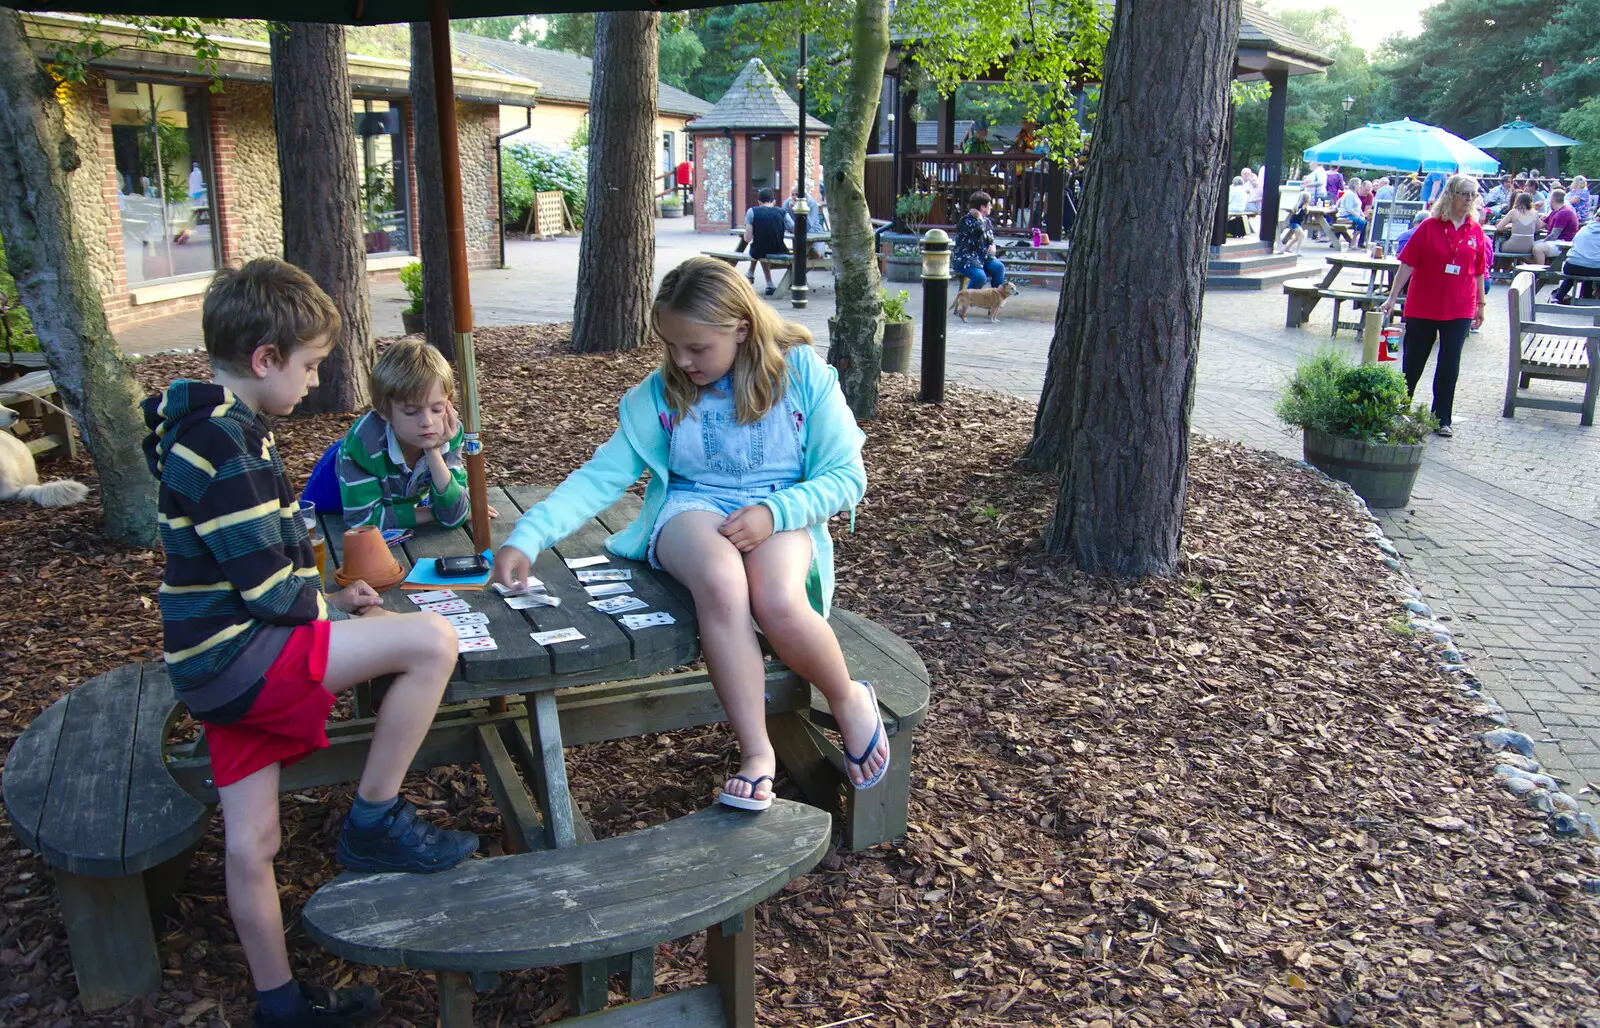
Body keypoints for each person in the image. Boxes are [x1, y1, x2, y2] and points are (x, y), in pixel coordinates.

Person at [141, 260, 477, 1028]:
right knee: (428, 641)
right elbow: (267, 592)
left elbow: (262, 560)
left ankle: (280, 1004)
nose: (314, 382)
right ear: (266, 359)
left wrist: (324, 594)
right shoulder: (226, 447)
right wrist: (332, 615)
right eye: (311, 366)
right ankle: (375, 818)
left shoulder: (214, 430)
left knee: (252, 841)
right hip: (240, 656)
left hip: (207, 666)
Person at [489, 257, 887, 811]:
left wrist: (776, 512)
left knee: (776, 598)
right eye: (672, 345)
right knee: (722, 584)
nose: (682, 360)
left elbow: (847, 477)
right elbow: (600, 479)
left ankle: (846, 697)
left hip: (780, 509)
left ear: (741, 329)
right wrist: (526, 536)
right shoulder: (660, 397)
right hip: (691, 507)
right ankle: (756, 752)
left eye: (697, 348)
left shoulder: (801, 376)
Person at [1379, 175, 1489, 438]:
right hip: (1424, 305)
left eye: (1473, 195)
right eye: (1464, 194)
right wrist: (1392, 297)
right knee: (1414, 360)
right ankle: (1400, 408)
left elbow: (1479, 271)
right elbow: (1407, 265)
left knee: (1450, 362)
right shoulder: (1429, 226)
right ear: (1451, 194)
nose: (1469, 199)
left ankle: (1441, 417)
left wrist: (1480, 305)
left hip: (1459, 305)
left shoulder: (1475, 230)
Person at [336, 338, 481, 531]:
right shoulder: (363, 445)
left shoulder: (449, 432)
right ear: (384, 411)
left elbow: (454, 516)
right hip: (337, 503)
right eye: (411, 412)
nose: (427, 422)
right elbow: (362, 521)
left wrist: (434, 452)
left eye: (437, 409)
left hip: (402, 504)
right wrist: (433, 512)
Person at [951, 190, 1007, 288]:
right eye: (989, 205)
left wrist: (992, 245)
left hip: (983, 256)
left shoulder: (987, 221)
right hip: (966, 258)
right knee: (980, 277)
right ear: (982, 207)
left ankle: (995, 297)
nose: (991, 207)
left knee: (999, 267)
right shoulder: (965, 221)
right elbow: (979, 230)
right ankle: (968, 300)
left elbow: (989, 238)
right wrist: (979, 218)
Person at [743, 187, 792, 296]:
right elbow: (794, 228)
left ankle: (751, 273)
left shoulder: (752, 211)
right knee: (763, 246)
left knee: (758, 246)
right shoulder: (782, 212)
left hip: (759, 251)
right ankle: (768, 283)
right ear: (774, 201)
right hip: (778, 250)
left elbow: (747, 238)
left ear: (759, 202)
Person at [1552, 215, 1600, 305]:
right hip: (1596, 269)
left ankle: (1558, 297)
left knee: (1577, 270)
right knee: (1591, 265)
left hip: (1572, 266)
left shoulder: (1584, 229)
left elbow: (1574, 243)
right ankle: (1588, 298)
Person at [1533, 188, 1578, 265]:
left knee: (1538, 249)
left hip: (1563, 243)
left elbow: (1554, 235)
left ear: (1552, 200)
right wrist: (1535, 211)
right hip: (1556, 242)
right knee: (1529, 246)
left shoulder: (1564, 213)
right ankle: (1543, 267)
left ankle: (1540, 273)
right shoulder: (1554, 212)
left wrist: (1542, 242)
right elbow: (1539, 226)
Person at [1494, 192, 1541, 257]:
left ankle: (1504, 266)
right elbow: (1538, 227)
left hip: (1512, 246)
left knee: (1500, 244)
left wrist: (1509, 226)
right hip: (1528, 247)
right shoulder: (1535, 213)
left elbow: (1499, 227)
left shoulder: (1513, 212)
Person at [1337, 175, 1367, 246]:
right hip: (1346, 215)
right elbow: (1348, 208)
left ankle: (1361, 242)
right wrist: (1358, 215)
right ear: (1355, 185)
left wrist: (1363, 215)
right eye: (1359, 184)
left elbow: (1358, 208)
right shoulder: (1349, 194)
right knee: (1362, 222)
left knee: (1365, 222)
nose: (1360, 186)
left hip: (1353, 215)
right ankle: (1354, 240)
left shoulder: (1354, 194)